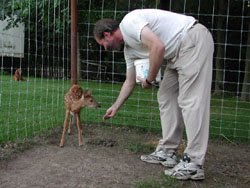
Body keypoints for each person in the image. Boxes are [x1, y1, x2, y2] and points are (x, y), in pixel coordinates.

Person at [93, 9, 214, 180]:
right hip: (176, 55)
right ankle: (168, 151)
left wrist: (149, 80)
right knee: (166, 95)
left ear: (107, 34)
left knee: (191, 101)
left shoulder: (129, 22)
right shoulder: (130, 50)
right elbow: (129, 81)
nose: (105, 49)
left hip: (192, 39)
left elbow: (158, 46)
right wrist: (115, 106)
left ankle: (194, 162)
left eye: (102, 44)